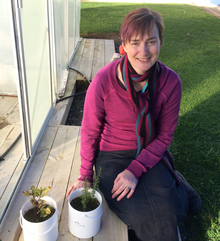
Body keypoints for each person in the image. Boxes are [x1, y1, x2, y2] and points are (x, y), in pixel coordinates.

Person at [67, 7, 201, 241]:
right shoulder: (103, 82)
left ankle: (177, 185)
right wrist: (85, 175)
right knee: (142, 216)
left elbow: (164, 137)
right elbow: (90, 132)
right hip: (112, 155)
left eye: (151, 41)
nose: (144, 51)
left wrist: (136, 170)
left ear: (161, 42)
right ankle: (177, 186)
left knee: (172, 210)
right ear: (124, 44)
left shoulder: (171, 83)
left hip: (150, 152)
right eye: (135, 42)